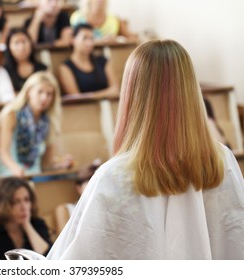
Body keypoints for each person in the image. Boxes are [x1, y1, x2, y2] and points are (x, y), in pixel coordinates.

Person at [48, 40, 244, 260]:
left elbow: (74, 262)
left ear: (132, 94)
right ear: (190, 90)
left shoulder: (114, 175)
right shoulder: (222, 160)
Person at [0, 71, 73, 177]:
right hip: (9, 173)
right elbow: (3, 152)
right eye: (40, 92)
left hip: (35, 175)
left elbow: (46, 164)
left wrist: (60, 165)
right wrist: (17, 170)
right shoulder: (12, 114)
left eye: (49, 94)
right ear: (29, 92)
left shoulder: (49, 122)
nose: (44, 98)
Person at [0, 177, 51, 260]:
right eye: (16, 202)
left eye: (26, 200)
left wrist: (27, 225)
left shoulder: (37, 223)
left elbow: (49, 258)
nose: (24, 207)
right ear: (2, 204)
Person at [58, 23, 119, 97]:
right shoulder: (66, 67)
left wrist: (88, 95)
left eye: (91, 39)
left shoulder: (103, 61)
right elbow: (75, 97)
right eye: (85, 38)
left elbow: (115, 90)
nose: (89, 43)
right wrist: (106, 93)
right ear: (73, 40)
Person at [54, 159, 100, 233]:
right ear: (79, 188)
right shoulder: (65, 209)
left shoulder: (106, 211)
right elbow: (64, 241)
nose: (95, 190)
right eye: (91, 186)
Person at [70, 0, 137, 43]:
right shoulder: (77, 18)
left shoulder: (115, 20)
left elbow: (131, 38)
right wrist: (100, 41)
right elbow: (71, 40)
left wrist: (117, 40)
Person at [3, 27, 47, 92]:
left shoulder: (42, 69)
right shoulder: (4, 71)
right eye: (16, 43)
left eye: (24, 42)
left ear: (31, 44)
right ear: (9, 47)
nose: (21, 47)